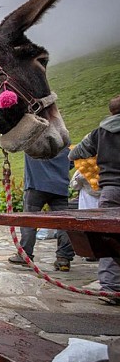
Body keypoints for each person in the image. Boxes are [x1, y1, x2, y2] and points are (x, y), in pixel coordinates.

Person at [69, 94, 120, 305]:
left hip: (111, 190)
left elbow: (75, 154)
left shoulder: (99, 133)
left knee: (110, 240)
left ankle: (110, 288)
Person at [8, 146, 76, 271]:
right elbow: (71, 163)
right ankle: (64, 259)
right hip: (60, 188)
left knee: (28, 221)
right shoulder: (64, 147)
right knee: (64, 223)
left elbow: (14, 144)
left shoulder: (33, 145)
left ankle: (25, 255)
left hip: (36, 186)